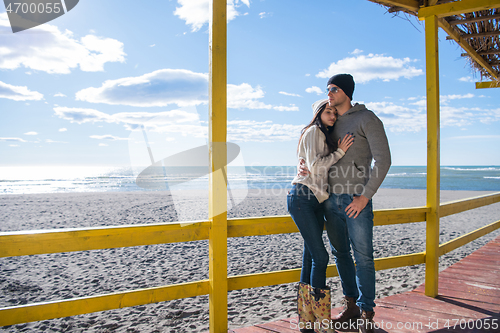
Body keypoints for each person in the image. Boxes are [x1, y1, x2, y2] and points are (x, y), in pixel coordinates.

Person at [298, 74, 391, 333]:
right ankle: (350, 306)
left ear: (347, 92)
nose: (329, 93)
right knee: (340, 255)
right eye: (327, 89)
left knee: (363, 258)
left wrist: (365, 196)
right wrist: (302, 164)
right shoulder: (330, 122)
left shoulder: (368, 119)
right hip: (329, 201)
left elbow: (383, 161)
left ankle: (366, 313)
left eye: (334, 89)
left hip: (355, 201)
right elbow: (312, 149)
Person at [288, 99, 354, 333]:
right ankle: (320, 322)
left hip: (314, 199)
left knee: (309, 258)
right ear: (318, 113)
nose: (333, 115)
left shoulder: (318, 134)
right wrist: (340, 151)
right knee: (321, 257)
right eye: (329, 112)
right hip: (303, 198)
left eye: (335, 113)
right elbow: (316, 167)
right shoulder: (315, 130)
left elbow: (309, 163)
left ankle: (307, 323)